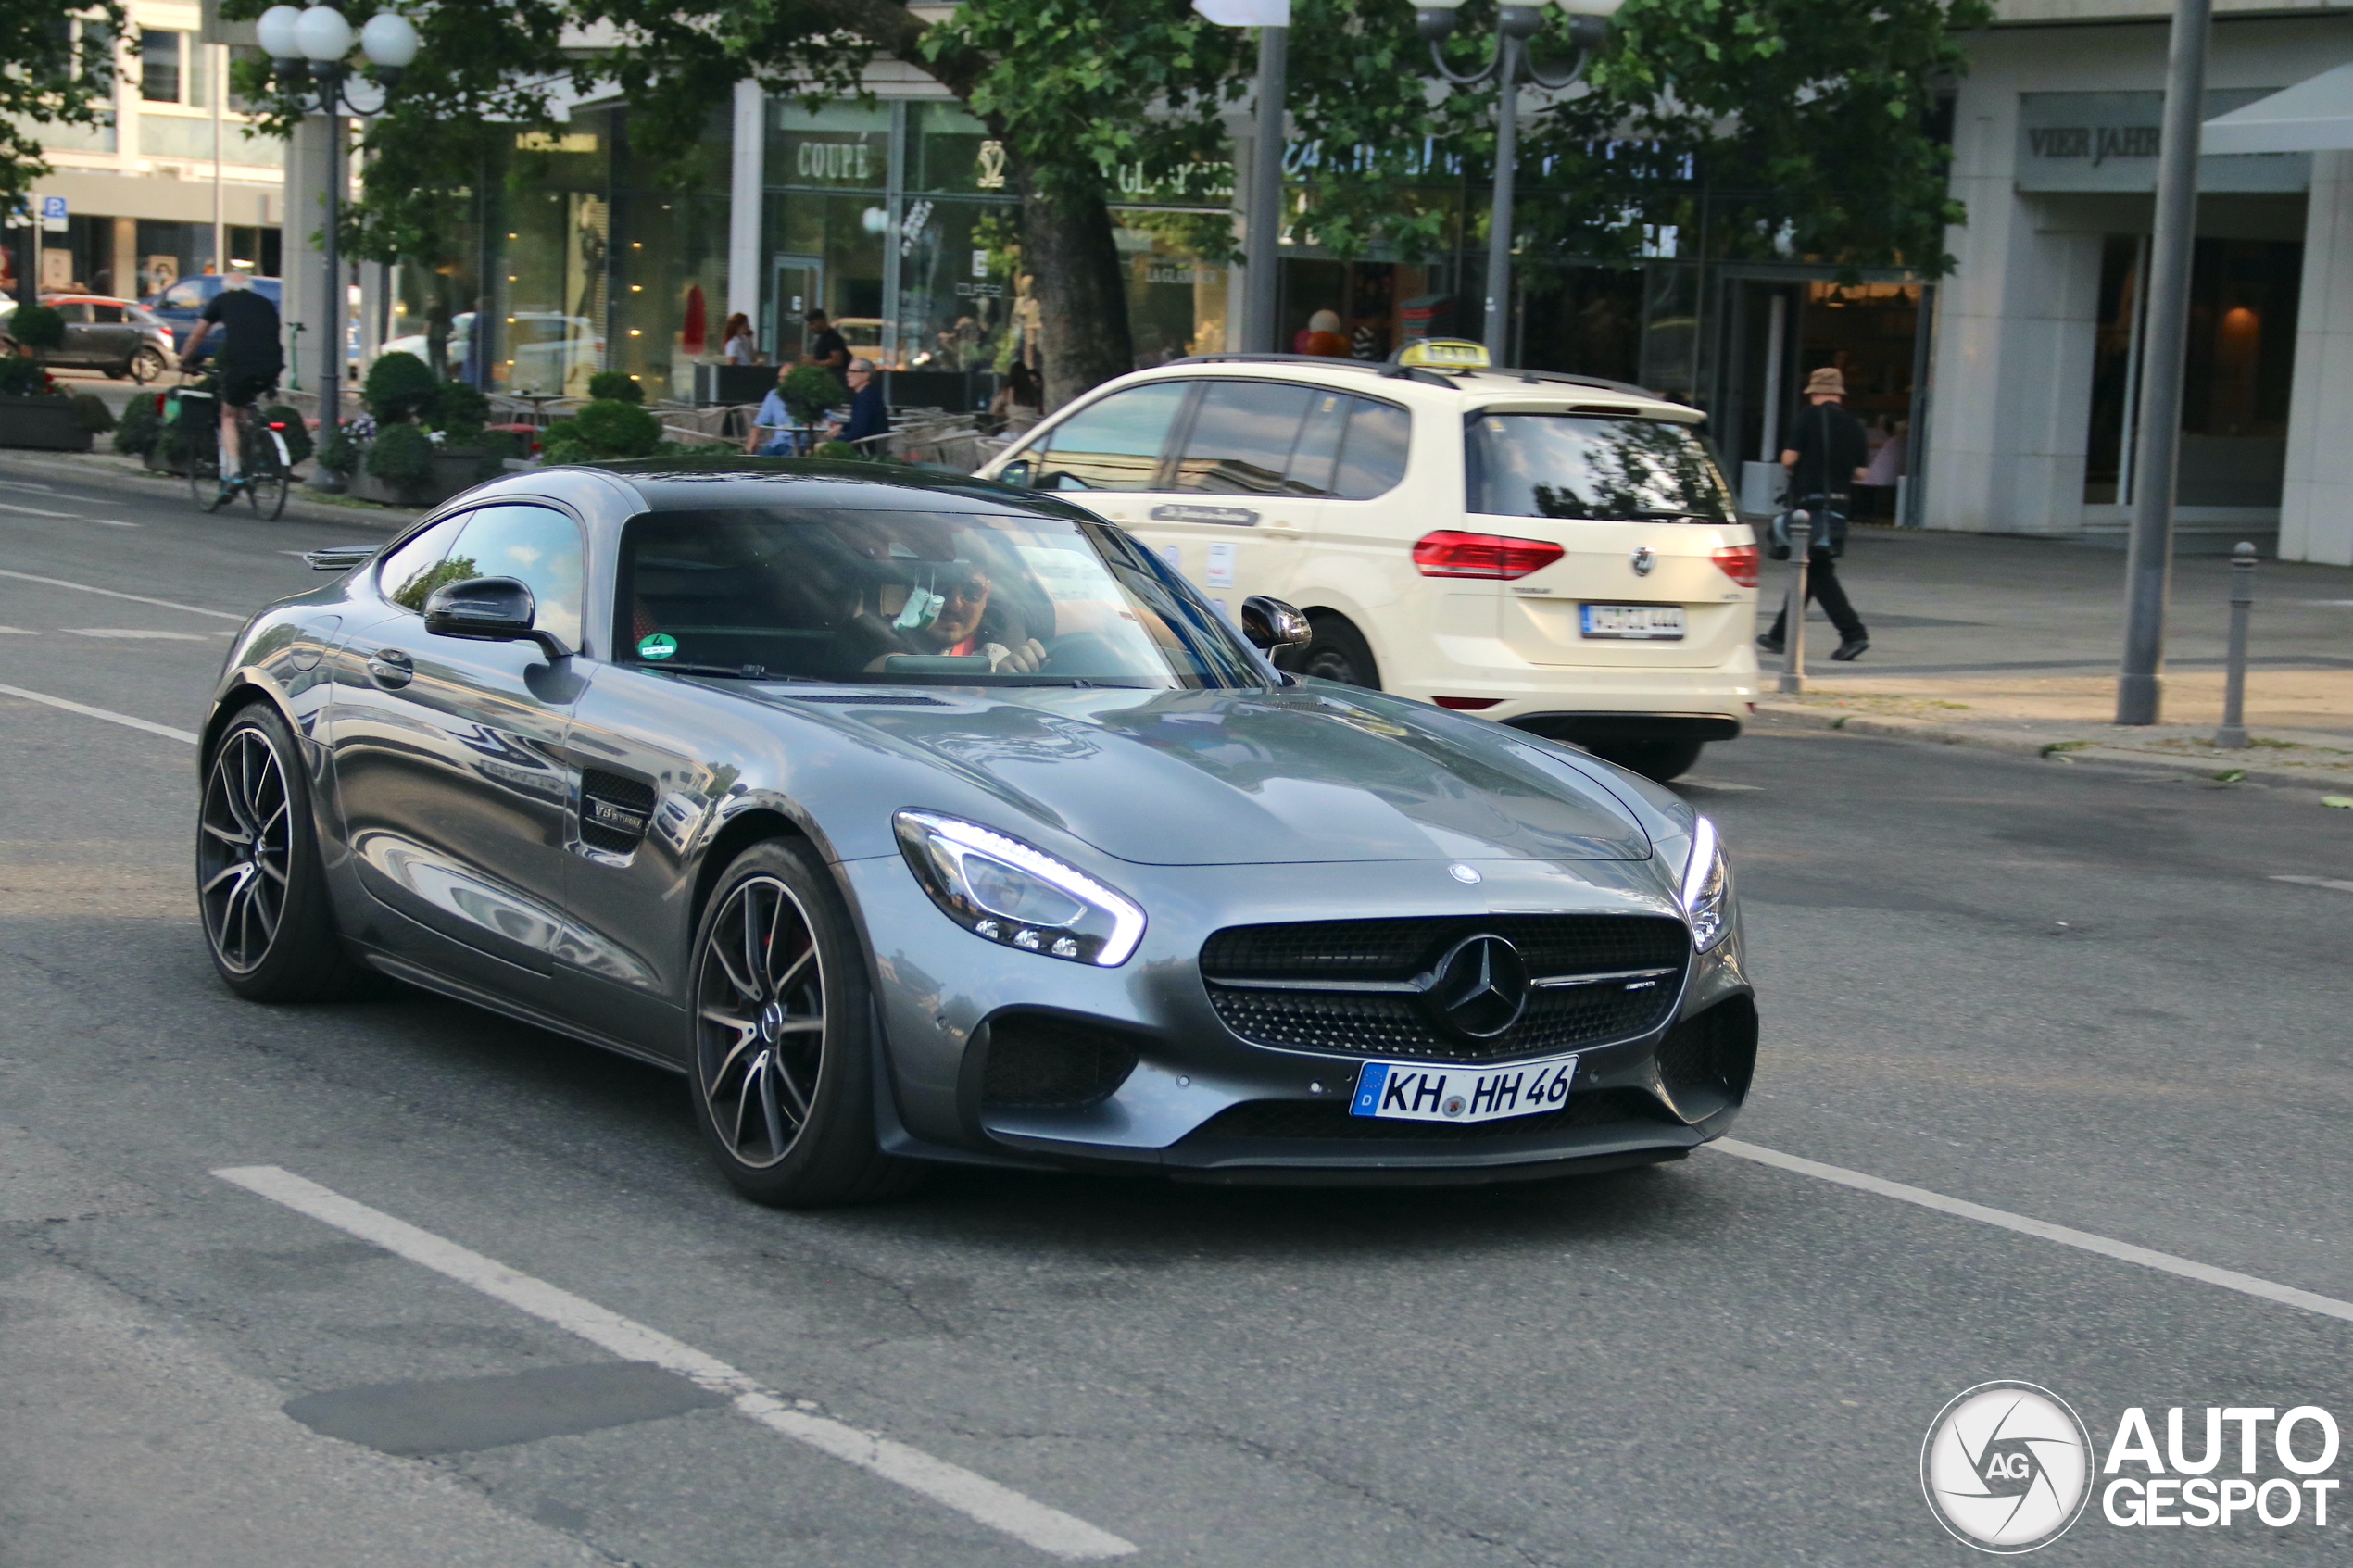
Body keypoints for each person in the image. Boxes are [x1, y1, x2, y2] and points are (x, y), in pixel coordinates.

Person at [1759, 365, 1870, 662]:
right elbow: (1860, 473)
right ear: (1839, 394)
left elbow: (1790, 457)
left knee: (1818, 571)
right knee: (1807, 566)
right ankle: (1780, 635)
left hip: (1809, 507)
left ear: (1813, 392)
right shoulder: (1853, 424)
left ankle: (1853, 634)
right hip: (1838, 507)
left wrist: (1796, 464)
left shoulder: (1808, 417)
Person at [177, 271, 283, 501]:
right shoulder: (265, 303)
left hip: (241, 365)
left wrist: (184, 360)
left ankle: (234, 472)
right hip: (272, 364)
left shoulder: (222, 301)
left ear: (227, 288)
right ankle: (256, 445)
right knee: (244, 406)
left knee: (227, 415)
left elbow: (197, 335)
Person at [831, 358, 889, 450]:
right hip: (871, 446)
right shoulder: (868, 394)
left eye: (853, 371)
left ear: (866, 375)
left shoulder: (865, 399)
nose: (847, 375)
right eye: (848, 371)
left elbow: (858, 432)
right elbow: (862, 424)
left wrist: (832, 443)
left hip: (866, 450)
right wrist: (842, 427)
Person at [746, 364, 803, 456]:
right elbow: (761, 421)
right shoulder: (774, 395)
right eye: (780, 378)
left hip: (799, 444)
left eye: (786, 378)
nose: (782, 381)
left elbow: (827, 416)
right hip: (778, 443)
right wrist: (753, 439)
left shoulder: (805, 395)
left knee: (785, 463)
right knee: (757, 461)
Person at [988, 360, 1042, 433]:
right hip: (1032, 435)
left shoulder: (1008, 392)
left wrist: (1007, 415)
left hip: (1013, 434)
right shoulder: (1033, 391)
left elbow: (994, 410)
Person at [802, 308, 848, 383]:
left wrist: (815, 363)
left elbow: (837, 361)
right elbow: (823, 356)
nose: (811, 327)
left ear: (822, 321)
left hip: (835, 379)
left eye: (813, 324)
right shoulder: (822, 337)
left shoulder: (833, 337)